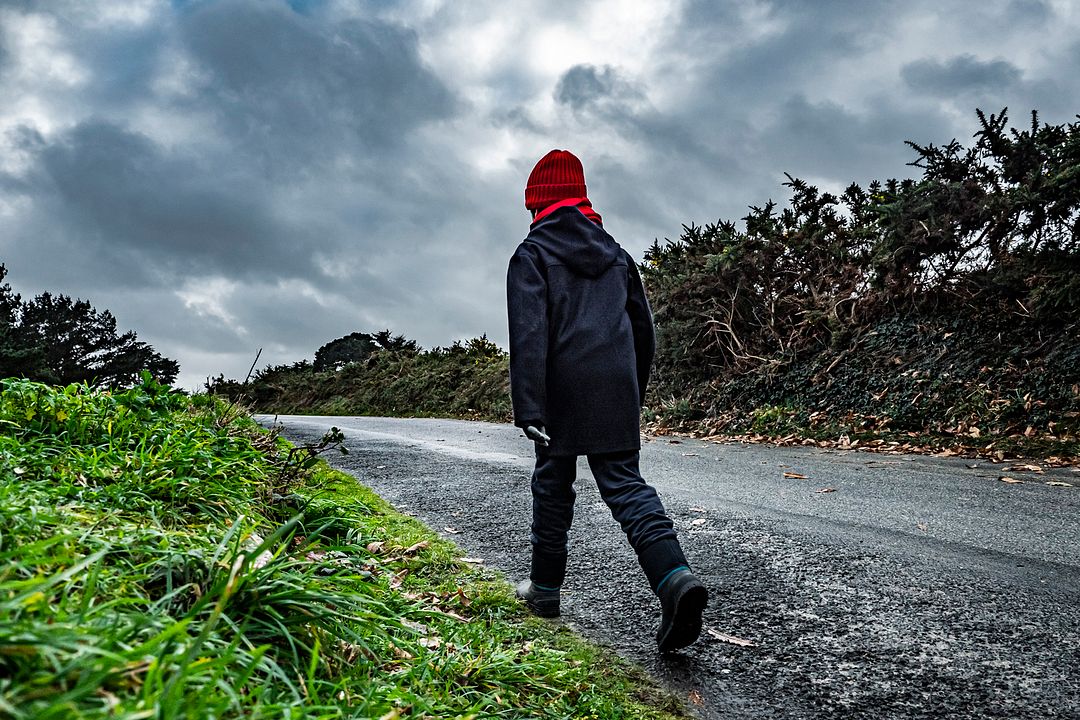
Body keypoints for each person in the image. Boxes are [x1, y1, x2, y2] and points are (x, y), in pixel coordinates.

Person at [506, 149, 708, 652]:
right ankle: (675, 578)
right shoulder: (617, 254)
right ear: (582, 200)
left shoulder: (531, 254)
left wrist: (529, 407)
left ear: (538, 203)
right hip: (616, 386)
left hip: (561, 388)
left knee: (553, 484)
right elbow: (644, 332)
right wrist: (630, 395)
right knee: (625, 485)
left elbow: (529, 335)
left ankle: (545, 591)